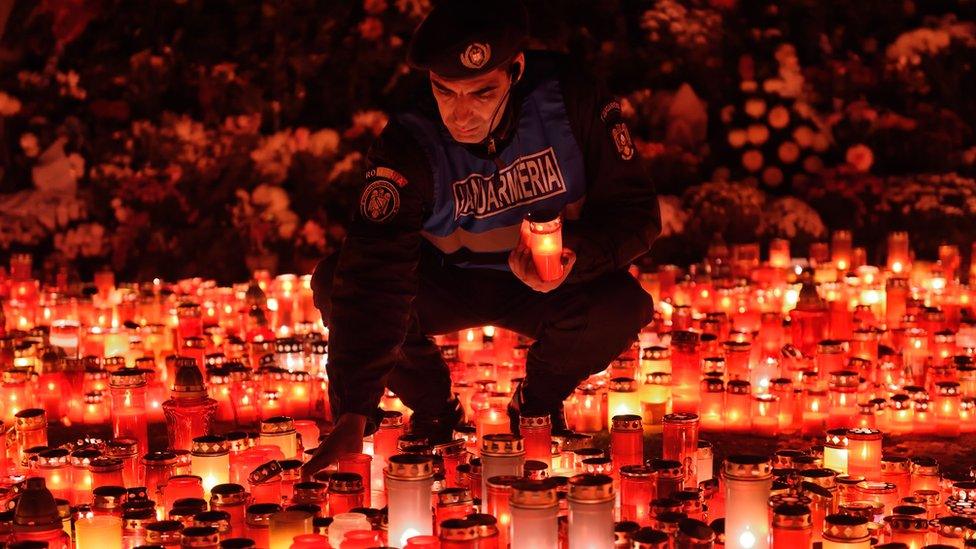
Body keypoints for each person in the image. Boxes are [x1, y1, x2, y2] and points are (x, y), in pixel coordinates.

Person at [302, 0, 661, 478]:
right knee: (335, 280)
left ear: (515, 70)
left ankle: (536, 405)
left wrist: (576, 254)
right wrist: (354, 412)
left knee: (620, 305)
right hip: (446, 280)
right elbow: (373, 272)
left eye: (481, 92)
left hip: (545, 283)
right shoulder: (410, 140)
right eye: (444, 92)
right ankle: (435, 409)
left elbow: (636, 213)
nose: (461, 115)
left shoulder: (570, 100)